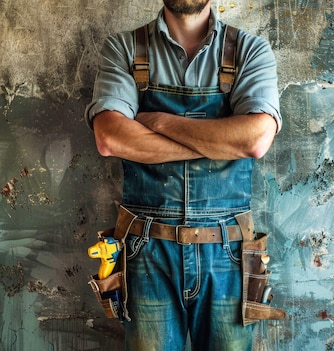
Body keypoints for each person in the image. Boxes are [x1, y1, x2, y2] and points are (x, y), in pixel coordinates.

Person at [84, 0, 281, 349]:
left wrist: (157, 122)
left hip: (229, 254)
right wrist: (219, 141)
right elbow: (110, 138)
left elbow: (254, 140)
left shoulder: (250, 50)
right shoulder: (124, 48)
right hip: (146, 251)